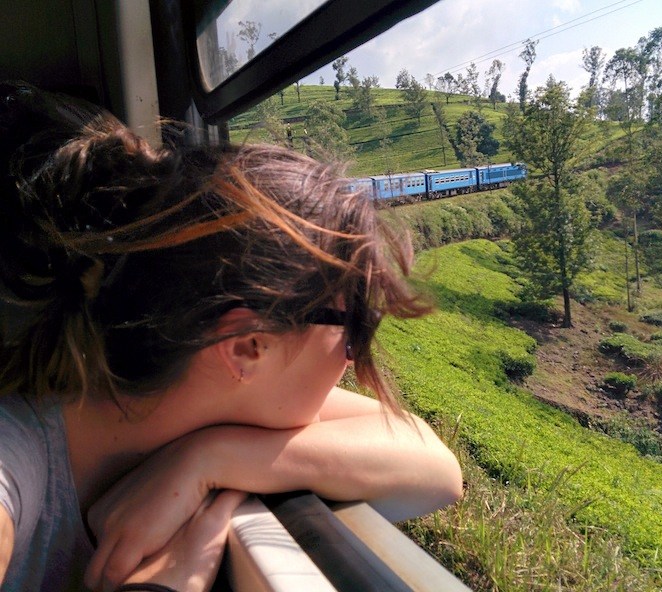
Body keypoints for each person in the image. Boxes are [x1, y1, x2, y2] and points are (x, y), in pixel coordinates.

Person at [0, 81, 462, 592]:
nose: (351, 364)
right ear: (248, 345)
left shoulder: (195, 410)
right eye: (352, 332)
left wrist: (209, 458)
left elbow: (436, 468)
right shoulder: (12, 462)